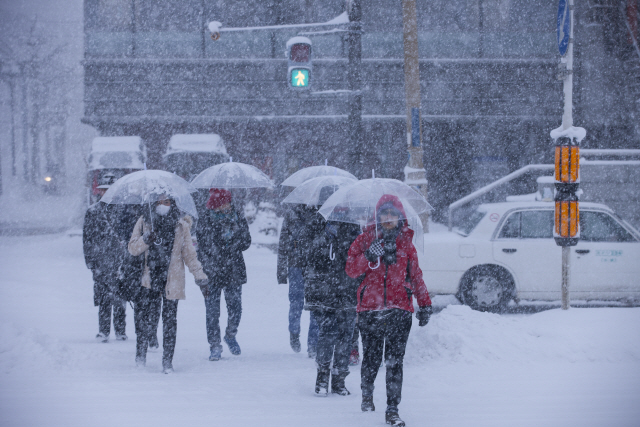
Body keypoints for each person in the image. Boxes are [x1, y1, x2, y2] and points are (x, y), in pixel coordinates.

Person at [346, 194, 433, 427]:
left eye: (392, 214)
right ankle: (367, 395)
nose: (388, 218)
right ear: (377, 217)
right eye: (384, 214)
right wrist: (368, 256)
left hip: (399, 310)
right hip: (370, 310)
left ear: (399, 217)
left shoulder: (407, 244)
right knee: (372, 359)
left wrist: (424, 304)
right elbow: (351, 270)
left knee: (394, 362)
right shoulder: (365, 240)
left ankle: (392, 409)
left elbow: (416, 276)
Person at [128, 195, 208, 373]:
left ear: (173, 203)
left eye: (167, 202)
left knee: (170, 321)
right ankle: (140, 356)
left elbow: (189, 255)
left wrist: (200, 277)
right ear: (153, 203)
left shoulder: (181, 225)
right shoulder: (144, 221)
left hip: (172, 279)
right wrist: (146, 239)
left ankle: (167, 361)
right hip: (148, 279)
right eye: (159, 202)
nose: (163, 206)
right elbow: (132, 248)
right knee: (144, 320)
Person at [304, 197, 361, 396]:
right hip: (323, 291)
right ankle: (322, 377)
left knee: (346, 336)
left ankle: (339, 379)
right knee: (328, 333)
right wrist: (326, 242)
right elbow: (307, 255)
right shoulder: (315, 224)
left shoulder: (354, 227)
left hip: (347, 288)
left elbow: (357, 258)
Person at [196, 188, 251, 361]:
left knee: (235, 307)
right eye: (224, 202)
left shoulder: (237, 216)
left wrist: (235, 240)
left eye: (229, 202)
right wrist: (218, 249)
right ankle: (214, 345)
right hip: (212, 271)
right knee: (212, 311)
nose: (228, 205)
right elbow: (203, 245)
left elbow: (247, 241)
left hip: (234, 269)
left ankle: (230, 334)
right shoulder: (205, 219)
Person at [83, 178, 127, 343]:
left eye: (109, 189)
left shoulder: (124, 210)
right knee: (103, 297)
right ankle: (103, 331)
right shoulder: (93, 211)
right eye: (103, 189)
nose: (106, 192)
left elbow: (130, 234)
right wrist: (90, 261)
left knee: (121, 296)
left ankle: (120, 330)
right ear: (99, 191)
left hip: (120, 260)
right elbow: (87, 238)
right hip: (100, 261)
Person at [277, 204, 319, 357]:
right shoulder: (292, 213)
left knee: (315, 304)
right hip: (296, 265)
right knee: (296, 302)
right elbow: (283, 242)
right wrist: (281, 270)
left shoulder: (322, 212)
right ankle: (294, 332)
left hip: (316, 265)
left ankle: (313, 344)